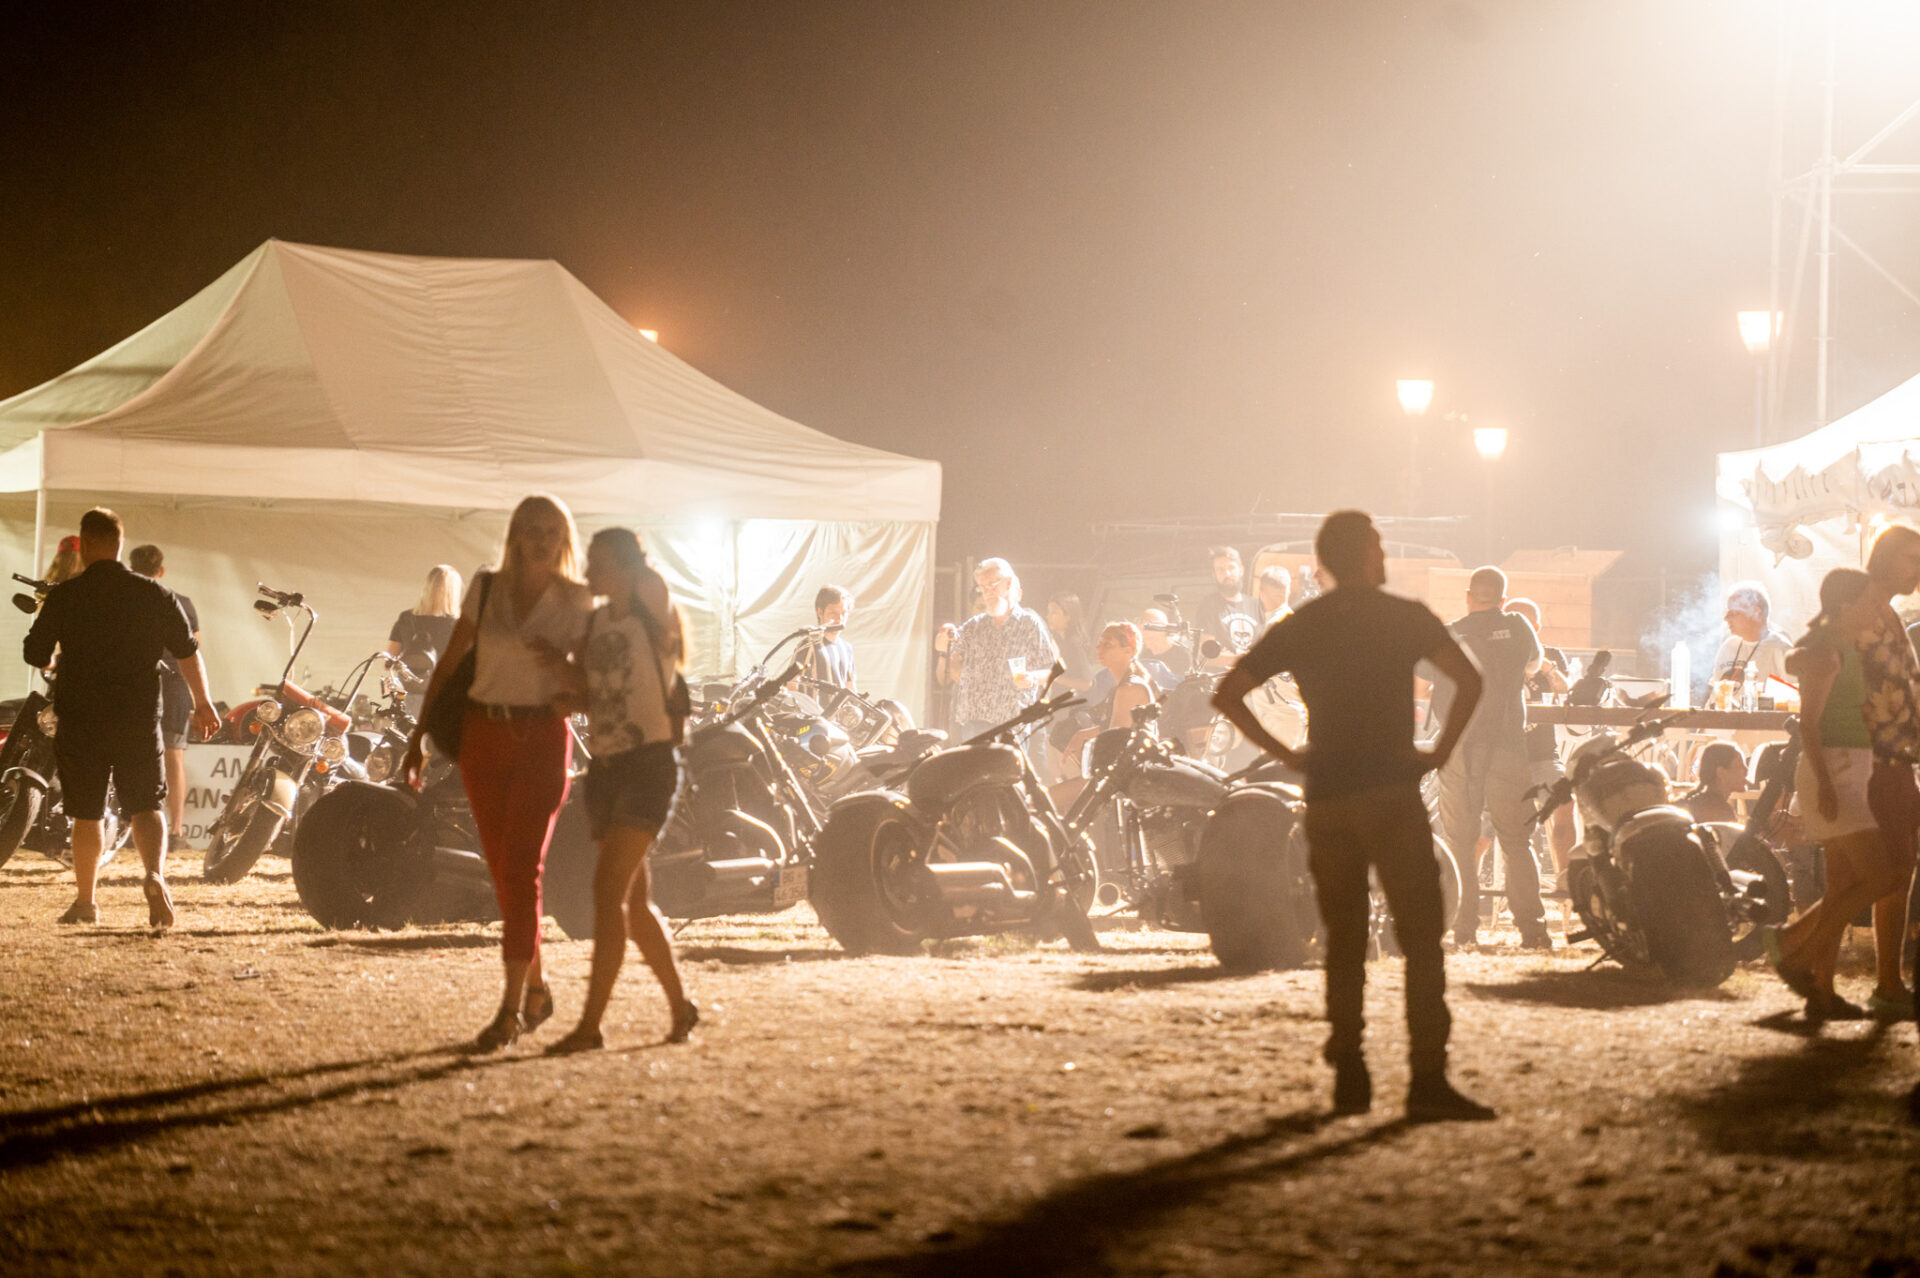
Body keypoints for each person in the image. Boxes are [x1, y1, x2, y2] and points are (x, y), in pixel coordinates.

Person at [1214, 510, 1493, 1123]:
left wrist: (1289, 755)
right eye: (1379, 546)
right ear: (1367, 555)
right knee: (1421, 936)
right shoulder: (1405, 617)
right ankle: (1427, 1078)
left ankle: (1351, 1074)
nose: (1385, 555)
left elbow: (1228, 693)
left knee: (1343, 937)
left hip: (1330, 794)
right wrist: (1439, 751)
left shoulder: (1303, 623)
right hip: (1392, 791)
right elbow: (1470, 682)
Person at [401, 495, 594, 1052]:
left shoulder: (577, 600)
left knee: (522, 869)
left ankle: (509, 1011)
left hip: (541, 739)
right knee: (504, 871)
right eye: (531, 529)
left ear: (564, 538)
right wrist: (417, 738)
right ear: (515, 535)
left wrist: (560, 665)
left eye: (551, 530)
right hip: (483, 737)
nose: (541, 539)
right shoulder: (486, 588)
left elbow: (591, 686)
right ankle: (535, 987)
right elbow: (448, 665)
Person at [23, 509, 219, 927]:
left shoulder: (67, 595)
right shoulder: (155, 594)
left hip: (81, 717)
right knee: (146, 805)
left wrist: (55, 655)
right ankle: (154, 875)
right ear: (119, 544)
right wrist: (203, 702)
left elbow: (35, 653)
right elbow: (188, 652)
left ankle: (86, 902)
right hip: (138, 716)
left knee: (87, 812)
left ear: (85, 544)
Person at [543, 528, 699, 1053]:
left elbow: (647, 581)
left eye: (600, 562)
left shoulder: (650, 608)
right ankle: (681, 1008)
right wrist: (557, 676)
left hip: (648, 766)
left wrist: (631, 567)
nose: (590, 571)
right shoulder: (595, 624)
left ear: (628, 568)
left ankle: (590, 1026)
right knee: (633, 902)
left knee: (607, 892)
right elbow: (595, 693)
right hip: (606, 770)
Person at [1766, 568, 1896, 1021]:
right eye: (1868, 601)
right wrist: (1824, 782)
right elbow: (1809, 723)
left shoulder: (1839, 646)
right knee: (1884, 876)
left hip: (1848, 768)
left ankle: (1821, 991)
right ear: (1845, 605)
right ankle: (1795, 953)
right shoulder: (1828, 652)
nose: (1876, 608)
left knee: (1843, 885)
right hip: (1834, 769)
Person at [1430, 567, 1551, 951]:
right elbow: (1534, 664)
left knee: (1460, 840)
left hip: (1459, 747)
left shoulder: (1449, 634)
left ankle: (1464, 929)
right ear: (1502, 599)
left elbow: (1422, 674)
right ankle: (1533, 930)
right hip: (1507, 744)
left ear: (1468, 596)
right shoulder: (1518, 626)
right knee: (1517, 839)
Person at [1851, 525, 1920, 1020]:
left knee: (1896, 869)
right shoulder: (1864, 610)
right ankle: (1794, 947)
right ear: (1887, 560)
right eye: (1911, 559)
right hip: (1876, 759)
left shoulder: (1891, 612)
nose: (1918, 570)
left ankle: (1889, 980)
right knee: (1888, 870)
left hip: (1897, 757)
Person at [933, 558, 1056, 756]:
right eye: (982, 587)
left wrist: (1032, 677)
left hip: (1012, 723)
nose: (987, 592)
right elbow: (945, 650)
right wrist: (943, 638)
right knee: (974, 774)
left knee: (1007, 774)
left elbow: (1050, 671)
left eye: (992, 585)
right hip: (975, 722)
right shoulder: (975, 626)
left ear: (1008, 583)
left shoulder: (1029, 624)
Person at [128, 544, 204, 846]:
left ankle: (133, 826)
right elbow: (194, 649)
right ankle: (176, 830)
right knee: (174, 757)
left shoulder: (121, 602)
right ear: (160, 571)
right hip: (174, 684)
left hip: (133, 684)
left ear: (130, 568)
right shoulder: (180, 602)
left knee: (132, 755)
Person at [1505, 597, 1575, 879]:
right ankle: (1471, 890)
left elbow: (1566, 693)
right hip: (1502, 757)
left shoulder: (1551, 654)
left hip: (1543, 757)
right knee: (1486, 820)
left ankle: (1566, 879)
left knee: (1565, 801)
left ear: (1536, 627)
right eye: (1513, 621)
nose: (1520, 628)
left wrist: (1546, 667)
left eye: (1526, 623)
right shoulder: (1494, 652)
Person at [387, 564, 463, 710]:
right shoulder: (458, 625)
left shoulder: (406, 618)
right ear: (453, 592)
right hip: (443, 694)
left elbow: (388, 660)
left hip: (408, 692)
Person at [1711, 583, 1792, 687]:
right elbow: (1714, 688)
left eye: (1734, 613)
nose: (1726, 618)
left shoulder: (1780, 649)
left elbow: (1796, 694)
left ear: (1755, 613)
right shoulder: (1729, 646)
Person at [1197, 546, 1261, 667]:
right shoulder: (1208, 606)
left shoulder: (1257, 606)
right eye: (1220, 570)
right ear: (1214, 575)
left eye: (1231, 567)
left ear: (1241, 570)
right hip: (1224, 678)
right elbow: (1206, 657)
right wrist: (1240, 660)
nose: (1227, 574)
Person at [1682, 741, 1748, 826]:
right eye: (1740, 766)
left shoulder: (1697, 801)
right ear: (1721, 773)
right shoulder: (1718, 811)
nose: (1746, 770)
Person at [1045, 593, 1096, 694]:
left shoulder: (1074, 644)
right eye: (1049, 612)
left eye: (1054, 613)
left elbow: (1086, 684)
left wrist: (1055, 678)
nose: (1048, 617)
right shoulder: (1059, 641)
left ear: (1068, 616)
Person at [808, 585, 857, 691]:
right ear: (820, 612)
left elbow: (850, 686)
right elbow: (792, 685)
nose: (839, 618)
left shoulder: (847, 648)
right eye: (833, 613)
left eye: (843, 613)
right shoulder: (808, 646)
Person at [1138, 607, 1188, 689]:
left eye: (1147, 624)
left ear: (1163, 628)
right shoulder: (1141, 655)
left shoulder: (1182, 655)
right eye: (1141, 622)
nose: (1141, 627)